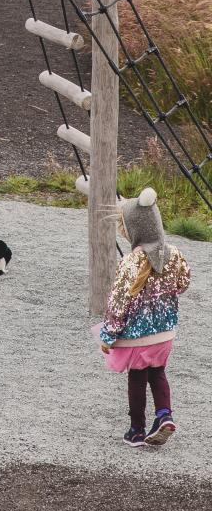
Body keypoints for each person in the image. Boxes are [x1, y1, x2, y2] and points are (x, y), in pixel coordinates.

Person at [98, 187, 191, 448]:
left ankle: (136, 430)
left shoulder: (131, 262)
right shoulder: (174, 254)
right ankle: (164, 415)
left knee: (137, 377)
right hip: (165, 333)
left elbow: (118, 302)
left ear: (134, 229)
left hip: (138, 336)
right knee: (158, 373)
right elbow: (183, 283)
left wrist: (108, 334)